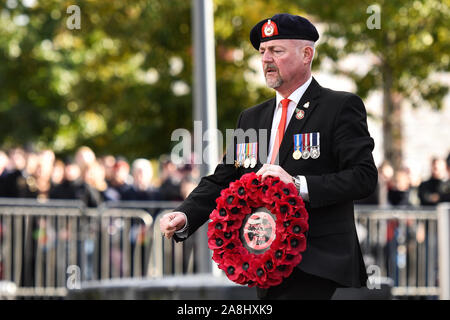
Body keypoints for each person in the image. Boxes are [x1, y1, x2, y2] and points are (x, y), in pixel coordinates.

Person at [160, 13, 377, 300]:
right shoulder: (251, 117)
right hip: (265, 261)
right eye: (263, 51)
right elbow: (223, 179)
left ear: (306, 54)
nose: (266, 59)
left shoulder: (339, 107)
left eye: (277, 50)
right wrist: (185, 214)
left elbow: (363, 177)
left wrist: (298, 185)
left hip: (320, 262)